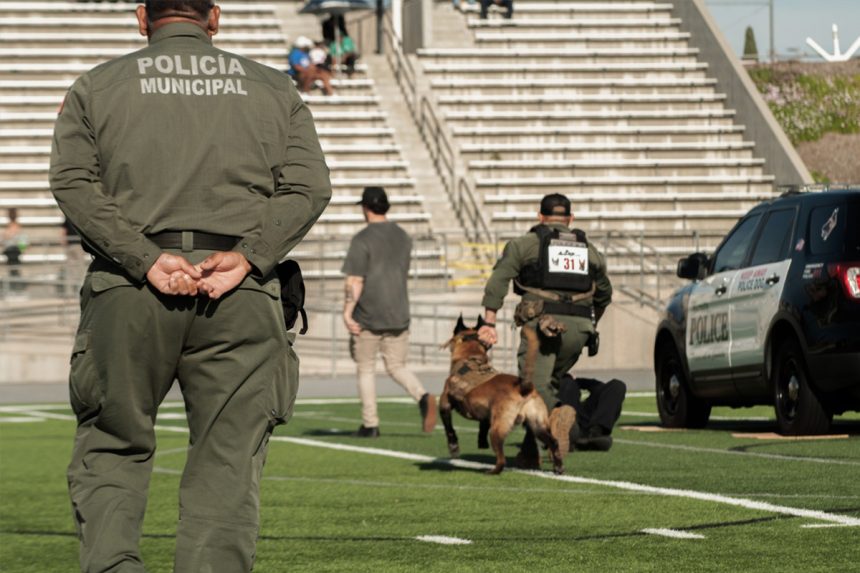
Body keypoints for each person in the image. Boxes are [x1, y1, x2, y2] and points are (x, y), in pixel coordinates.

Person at [49, 1, 332, 570]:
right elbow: (308, 187)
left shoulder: (97, 86)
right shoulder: (273, 89)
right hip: (239, 290)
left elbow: (73, 183)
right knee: (228, 458)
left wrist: (145, 257)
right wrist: (249, 258)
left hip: (129, 286)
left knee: (112, 443)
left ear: (140, 16)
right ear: (215, 17)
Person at [477, 193, 612, 462]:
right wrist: (590, 322)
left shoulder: (526, 244)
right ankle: (530, 452)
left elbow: (497, 282)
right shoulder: (589, 250)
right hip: (580, 330)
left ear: (540, 216)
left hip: (543, 329)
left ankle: (560, 420)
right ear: (570, 219)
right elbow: (605, 292)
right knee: (548, 384)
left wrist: (489, 322)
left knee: (532, 389)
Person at [341, 186, 437, 437]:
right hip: (399, 310)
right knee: (396, 366)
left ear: (365, 208)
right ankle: (423, 395)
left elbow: (355, 280)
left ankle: (370, 424)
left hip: (369, 313)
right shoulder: (403, 236)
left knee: (366, 368)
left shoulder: (362, 239)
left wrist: (348, 312)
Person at [556, 374, 626, 452]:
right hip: (569, 422)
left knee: (617, 386)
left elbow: (599, 387)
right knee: (566, 383)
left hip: (588, 424)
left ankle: (596, 433)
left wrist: (578, 380)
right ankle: (569, 436)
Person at [2, 208, 26, 289]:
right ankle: (15, 287)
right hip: (13, 250)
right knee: (14, 269)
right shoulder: (16, 226)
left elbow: (6, 239)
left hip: (12, 250)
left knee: (13, 269)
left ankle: (16, 287)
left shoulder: (11, 226)